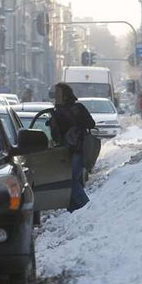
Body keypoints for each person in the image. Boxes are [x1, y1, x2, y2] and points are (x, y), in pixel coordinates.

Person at [50, 82, 96, 212]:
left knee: (71, 180)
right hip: (64, 151)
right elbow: (56, 136)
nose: (55, 96)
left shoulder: (77, 108)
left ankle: (86, 208)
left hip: (78, 148)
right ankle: (74, 210)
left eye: (58, 93)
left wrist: (77, 119)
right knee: (70, 181)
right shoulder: (56, 112)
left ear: (65, 95)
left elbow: (91, 124)